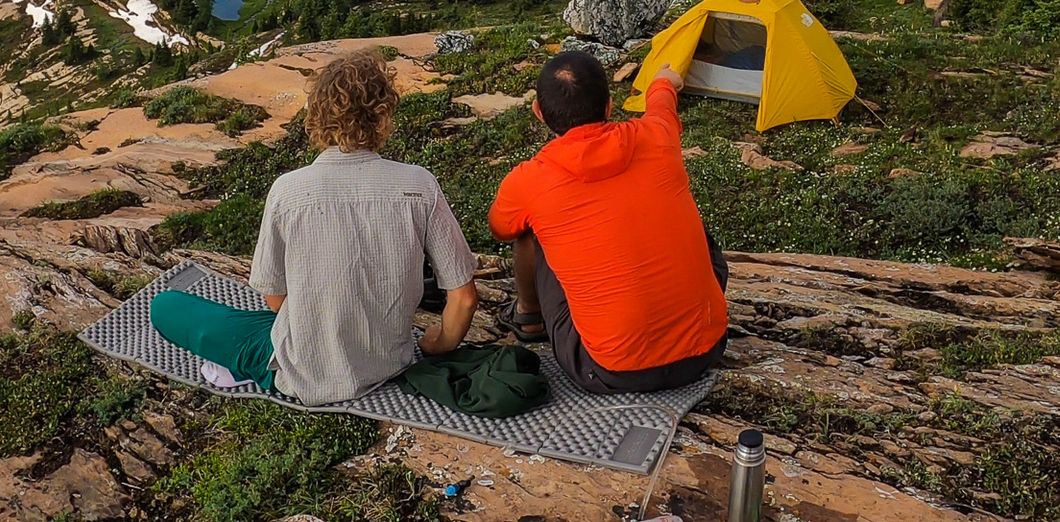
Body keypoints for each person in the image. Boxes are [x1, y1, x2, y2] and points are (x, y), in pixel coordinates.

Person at [150, 50, 481, 405]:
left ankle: (244, 367)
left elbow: (275, 298)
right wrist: (439, 343)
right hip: (389, 362)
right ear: (384, 115)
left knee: (166, 306)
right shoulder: (420, 185)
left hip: (300, 370)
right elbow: (464, 298)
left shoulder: (288, 190)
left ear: (317, 117)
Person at [488, 52, 729, 394]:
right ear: (609, 106)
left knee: (528, 228)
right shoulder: (658, 136)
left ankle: (529, 316)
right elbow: (661, 104)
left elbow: (501, 229)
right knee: (685, 223)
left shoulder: (529, 181)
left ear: (539, 112)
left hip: (609, 370)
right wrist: (664, 81)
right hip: (706, 351)